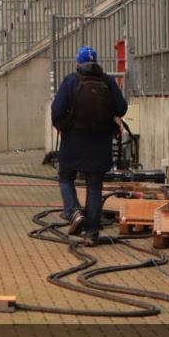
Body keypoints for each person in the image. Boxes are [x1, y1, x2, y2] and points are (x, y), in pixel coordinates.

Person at [50, 46, 128, 246]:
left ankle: (74, 212)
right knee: (94, 186)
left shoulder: (70, 81)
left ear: (78, 63)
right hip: (100, 142)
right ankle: (92, 234)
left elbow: (57, 110)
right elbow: (122, 107)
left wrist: (63, 126)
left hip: (73, 141)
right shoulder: (107, 81)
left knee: (65, 177)